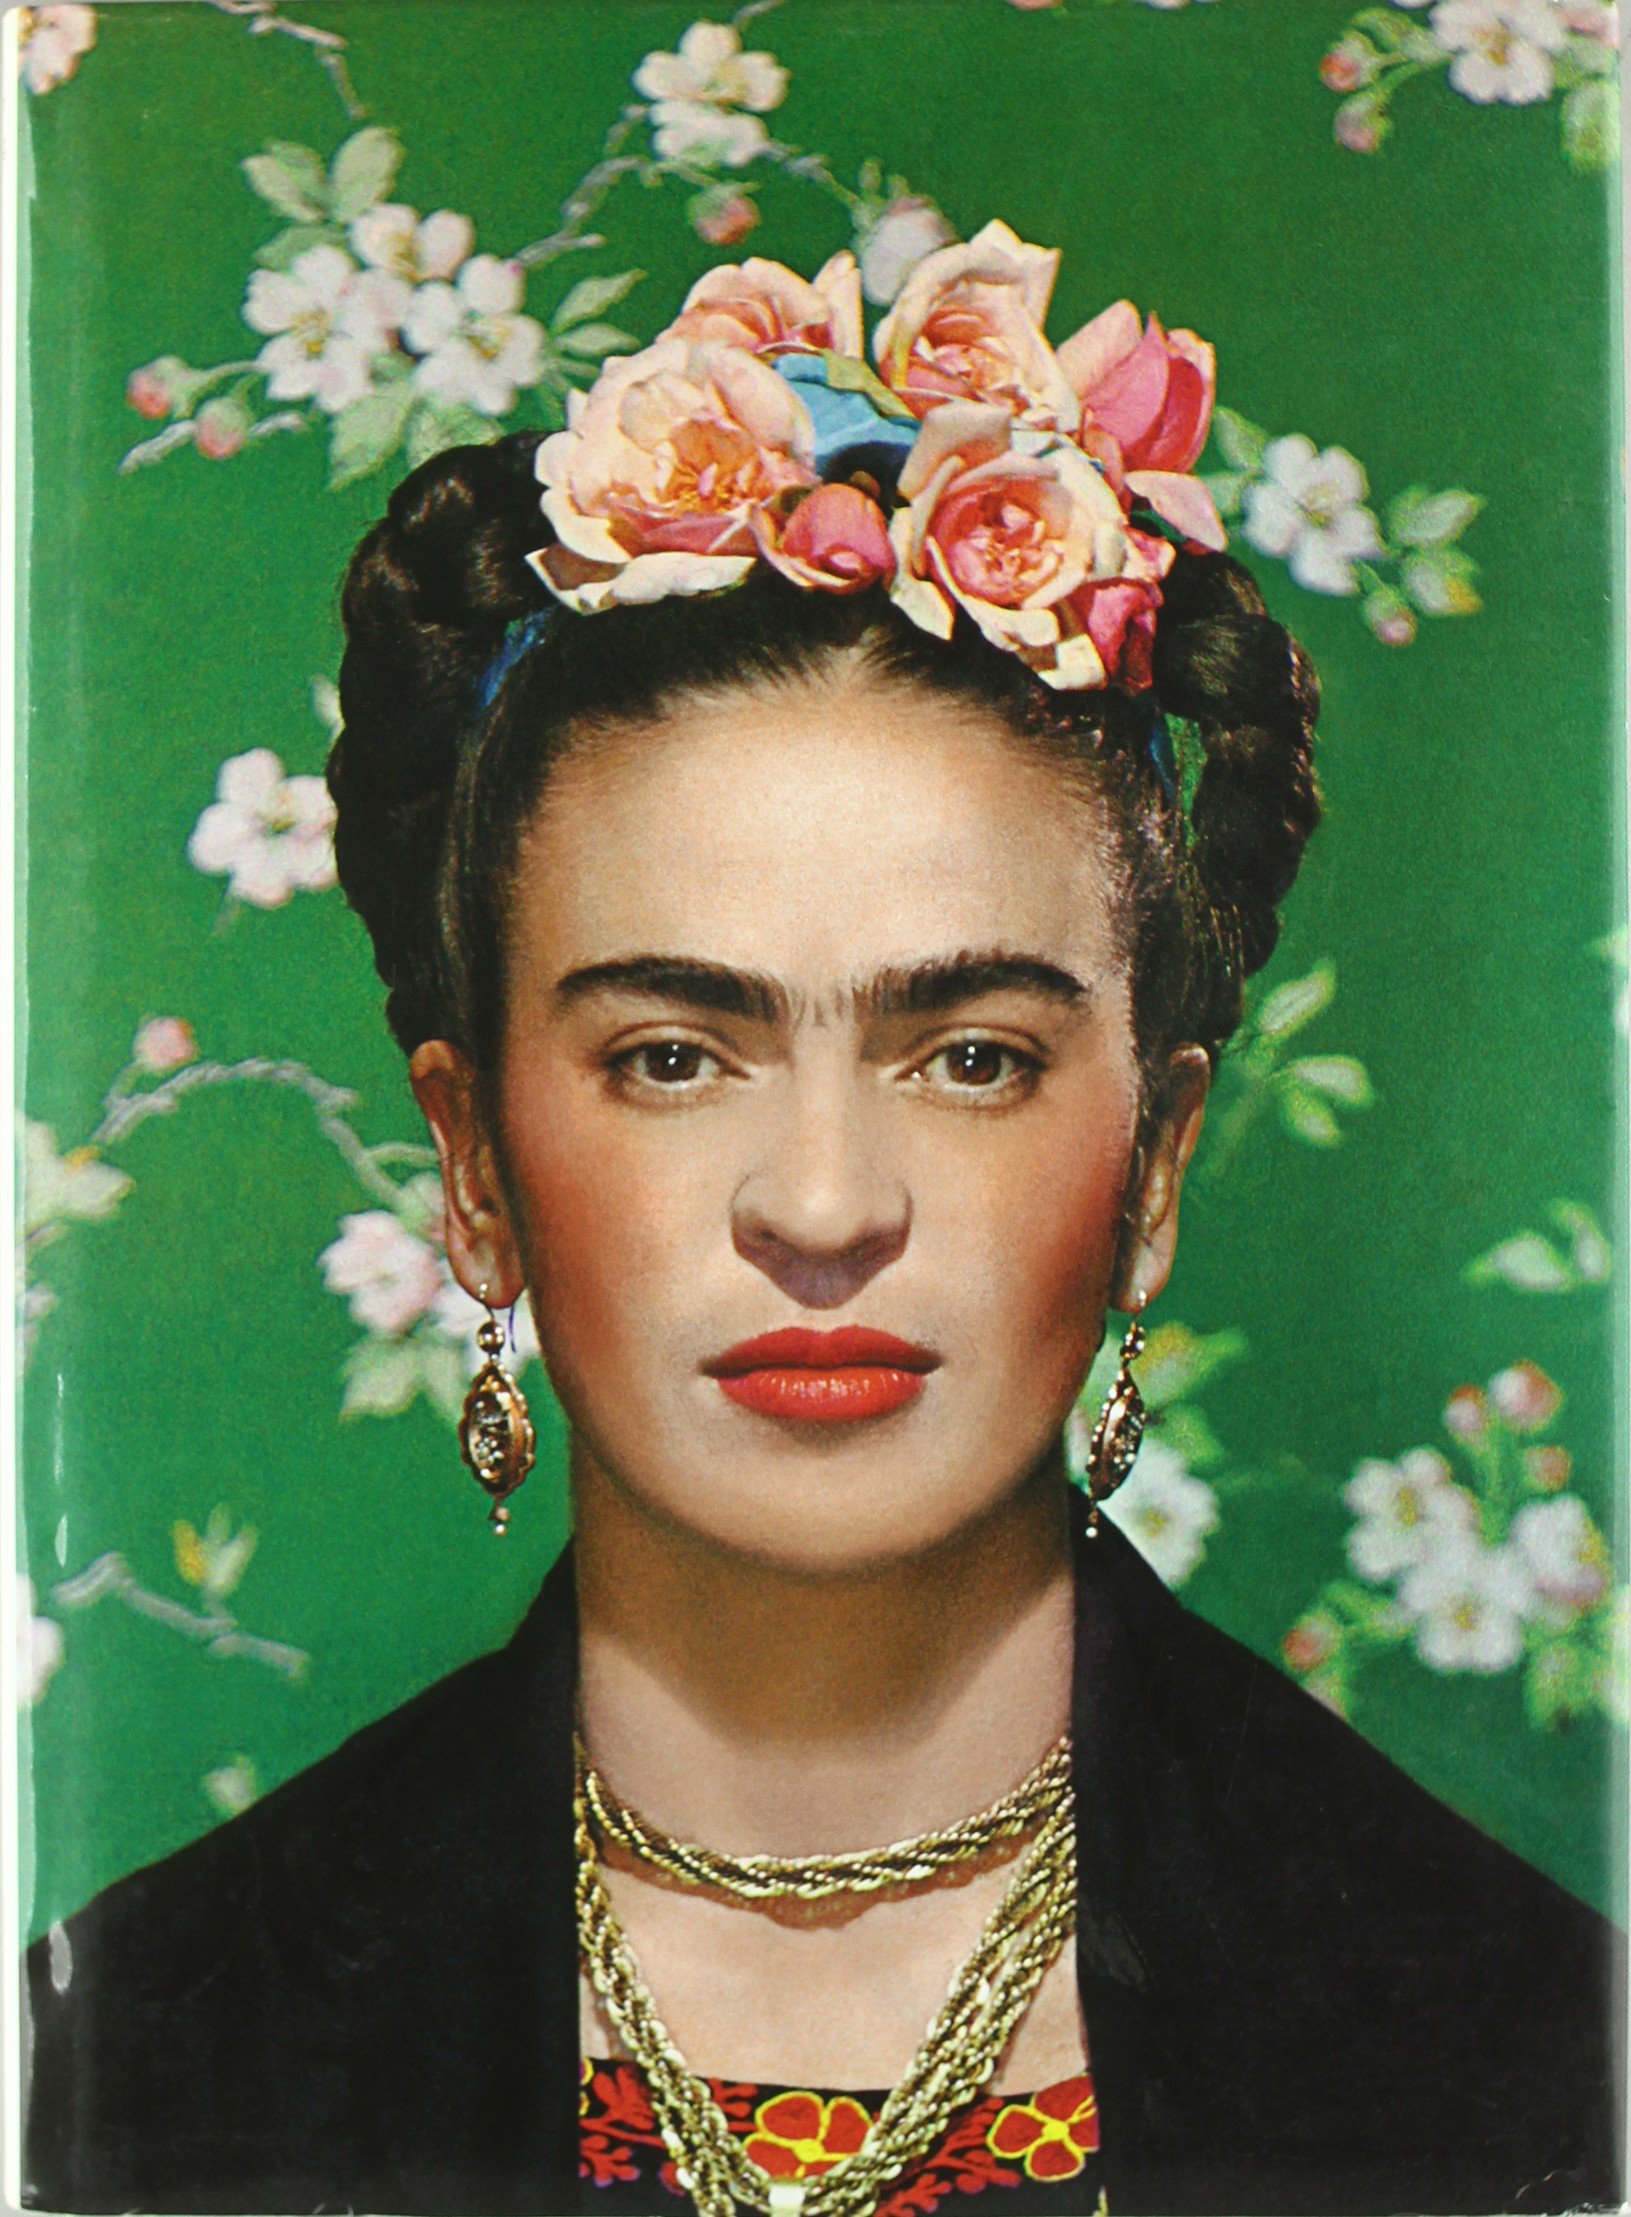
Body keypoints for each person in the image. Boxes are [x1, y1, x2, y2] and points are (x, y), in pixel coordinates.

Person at [21, 232, 1623, 2217]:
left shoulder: (1525, 2054)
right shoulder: (137, 2055)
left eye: (972, 1056)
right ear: (475, 1166)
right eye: (673, 1055)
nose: (825, 1204)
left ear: (1155, 1167)